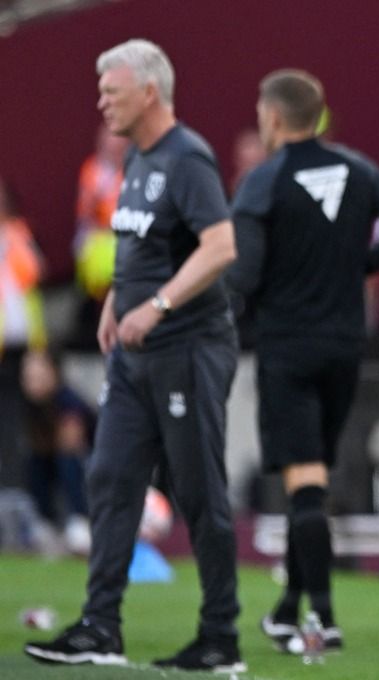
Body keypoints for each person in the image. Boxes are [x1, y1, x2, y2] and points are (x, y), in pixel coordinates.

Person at [25, 39, 245, 672]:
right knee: (110, 478)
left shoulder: (187, 158)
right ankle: (100, 627)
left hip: (187, 348)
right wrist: (120, 298)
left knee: (200, 491)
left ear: (149, 93)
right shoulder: (139, 160)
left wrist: (160, 306)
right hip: (135, 355)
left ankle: (220, 637)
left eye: (111, 91)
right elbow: (143, 243)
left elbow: (221, 246)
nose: (101, 102)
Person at [225, 69, 379, 654]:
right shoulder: (358, 169)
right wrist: (361, 265)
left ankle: (324, 617)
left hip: (288, 347)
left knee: (305, 484)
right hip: (344, 347)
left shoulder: (261, 182)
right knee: (311, 480)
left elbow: (242, 275)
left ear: (271, 117)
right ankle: (289, 608)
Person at [20, 348, 93, 555]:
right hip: (51, 461)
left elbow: (71, 444)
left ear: (53, 373)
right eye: (28, 376)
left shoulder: (68, 400)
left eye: (38, 375)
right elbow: (37, 445)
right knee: (34, 462)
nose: (32, 381)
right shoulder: (31, 406)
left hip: (90, 463)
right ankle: (45, 523)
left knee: (67, 460)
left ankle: (81, 521)